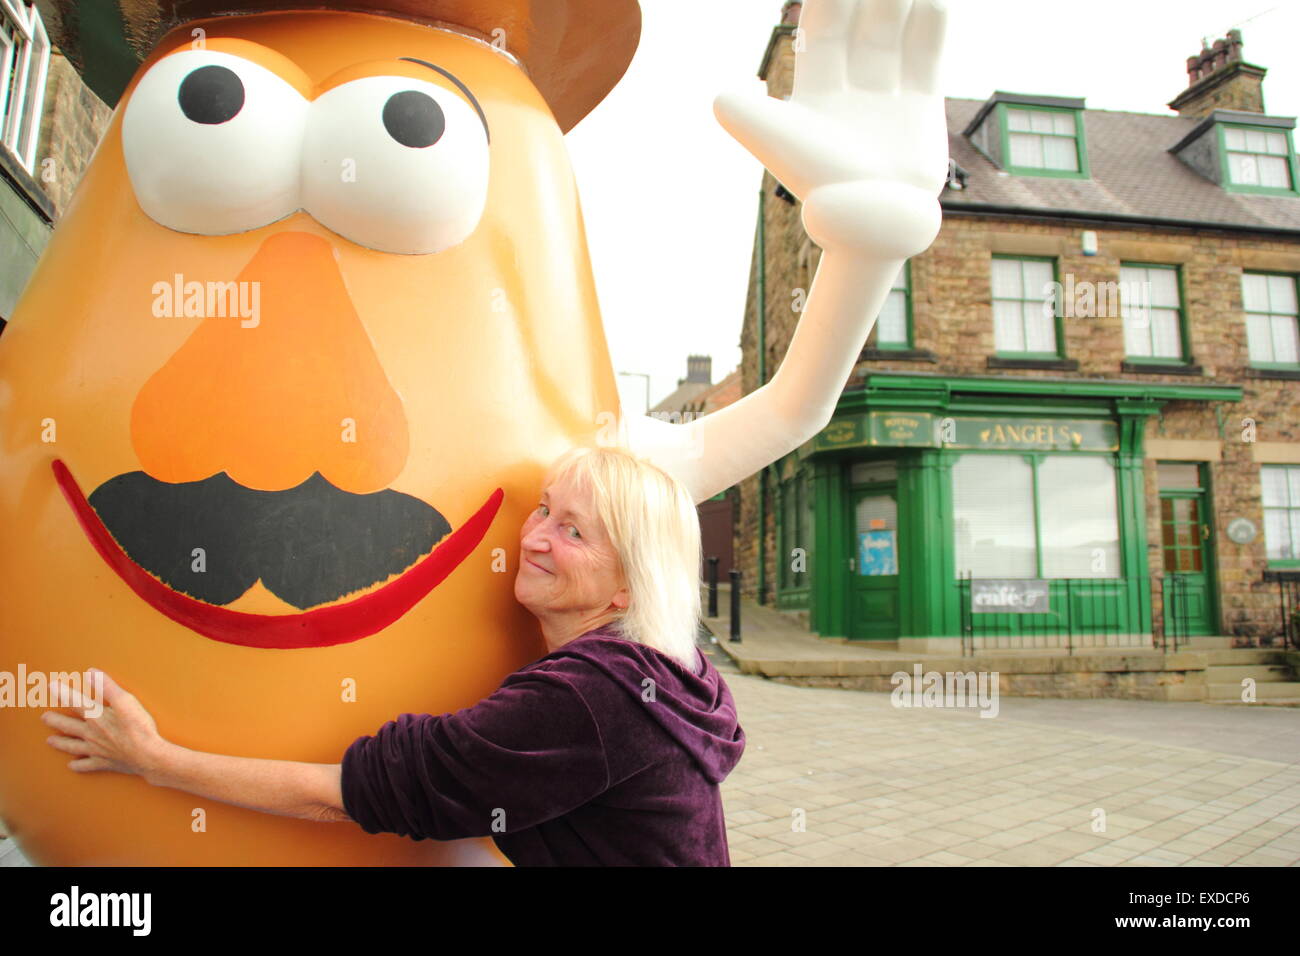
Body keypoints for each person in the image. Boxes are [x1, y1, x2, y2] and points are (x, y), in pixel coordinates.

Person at [41, 445, 746, 866]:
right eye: (543, 509)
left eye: (574, 532)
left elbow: (344, 797)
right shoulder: (669, 670)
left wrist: (153, 759)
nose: (533, 538)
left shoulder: (593, 701)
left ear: (627, 588)